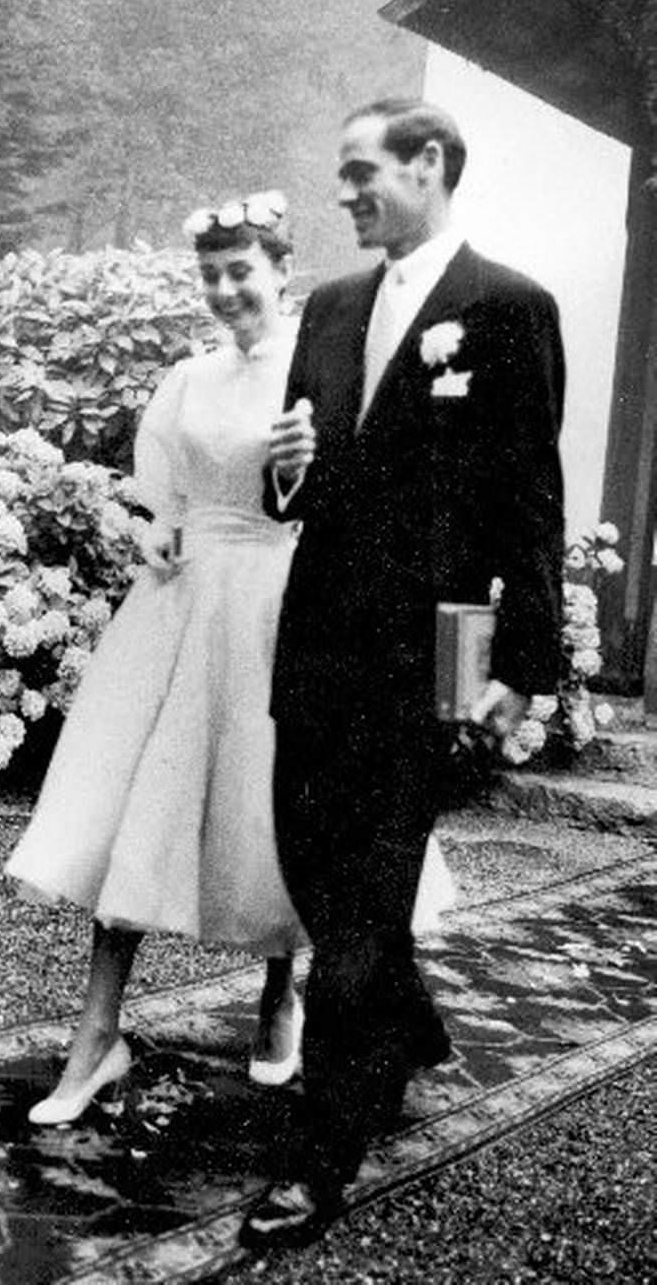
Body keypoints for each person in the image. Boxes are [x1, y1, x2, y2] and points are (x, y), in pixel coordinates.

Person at [6, 192, 455, 1126]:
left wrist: (300, 469)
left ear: (280, 269)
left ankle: (281, 986)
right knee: (140, 808)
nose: (224, 291)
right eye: (210, 275)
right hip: (181, 609)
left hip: (283, 604)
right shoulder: (188, 378)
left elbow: (339, 494)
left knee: (281, 805)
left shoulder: (322, 365)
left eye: (240, 271)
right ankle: (97, 1035)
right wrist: (159, 532)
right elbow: (163, 488)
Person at [239, 98, 565, 1252]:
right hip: (315, 644)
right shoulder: (326, 308)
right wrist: (284, 473)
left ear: (430, 166)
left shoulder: (510, 308)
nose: (345, 193)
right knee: (309, 862)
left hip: (419, 663)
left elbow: (531, 499)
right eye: (341, 175)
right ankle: (404, 1028)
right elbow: (300, 483)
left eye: (362, 171)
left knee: (362, 912)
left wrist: (525, 669)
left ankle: (317, 1159)